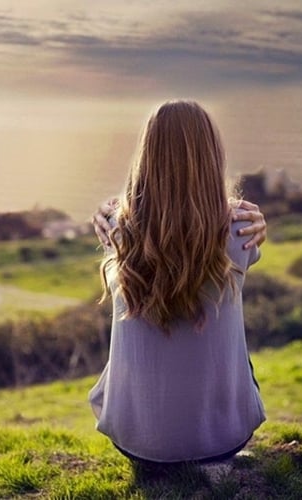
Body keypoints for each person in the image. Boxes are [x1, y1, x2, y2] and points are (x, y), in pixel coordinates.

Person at [88, 100, 266, 465]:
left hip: (134, 442)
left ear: (145, 157)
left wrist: (110, 214)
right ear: (211, 156)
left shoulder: (118, 231)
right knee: (238, 356)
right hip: (222, 441)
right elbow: (244, 242)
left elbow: (128, 218)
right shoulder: (238, 230)